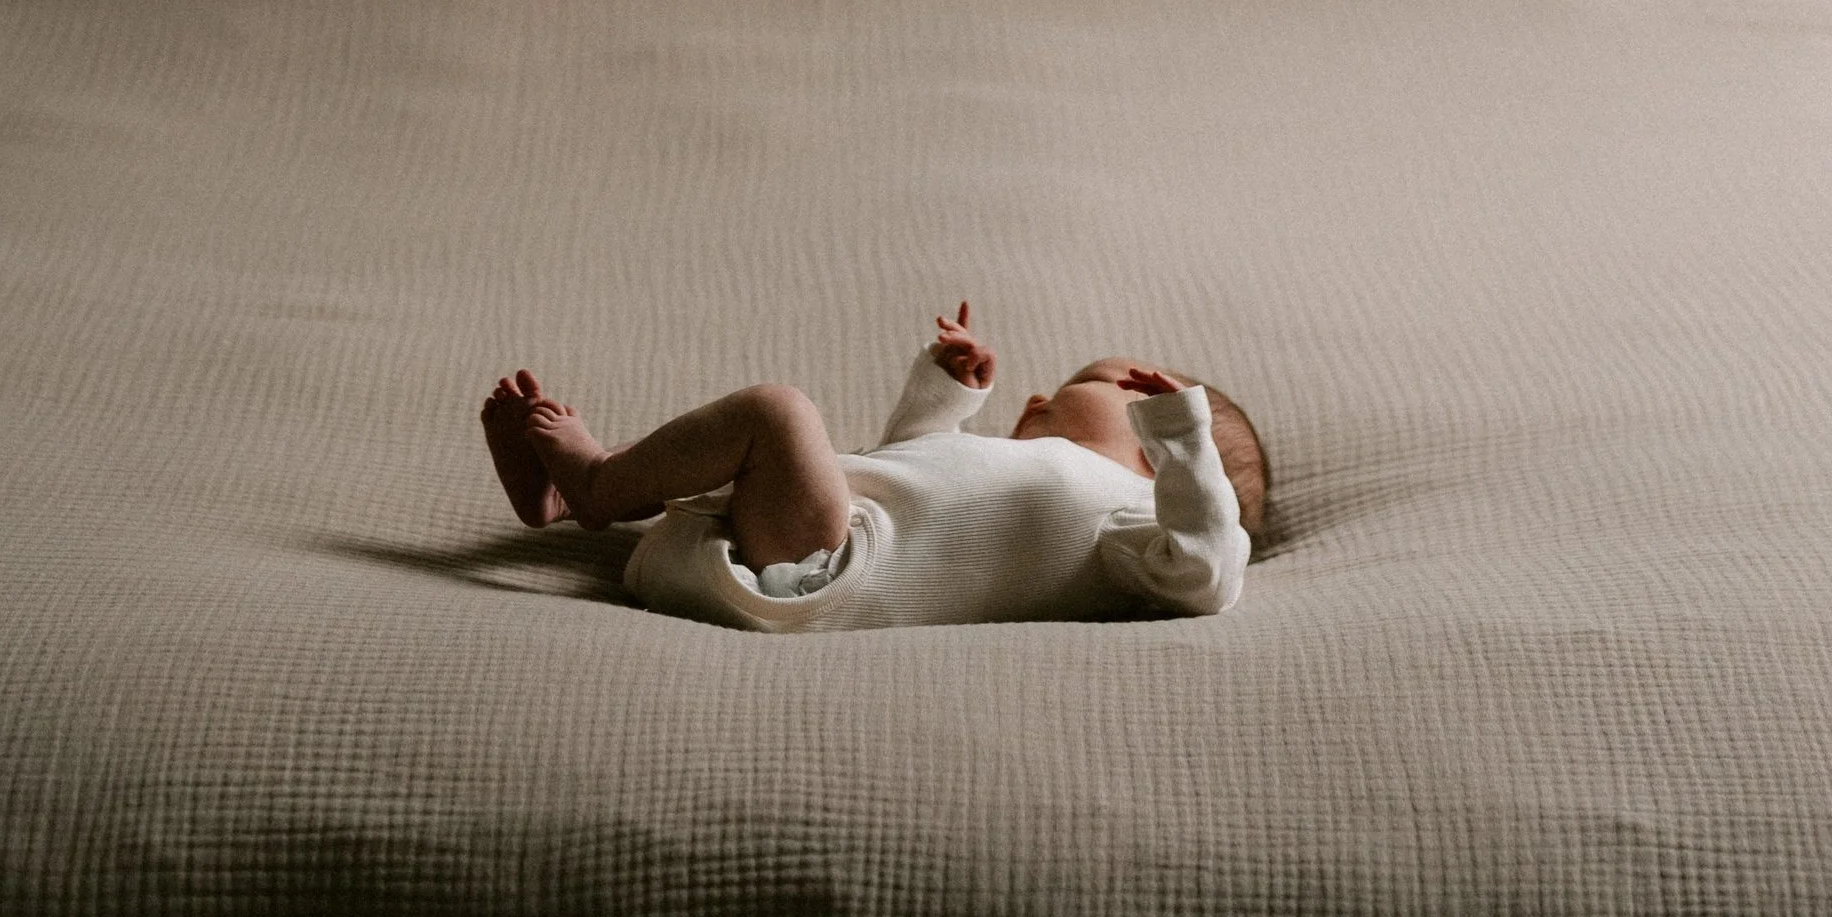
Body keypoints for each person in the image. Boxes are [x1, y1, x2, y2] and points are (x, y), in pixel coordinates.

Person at [480, 302, 1264, 631]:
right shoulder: (1035, 471)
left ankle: (598, 485)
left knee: (777, 413)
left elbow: (1208, 574)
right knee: (757, 447)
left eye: (1090, 383)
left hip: (824, 572)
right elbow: (907, 465)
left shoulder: (1135, 515)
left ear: (1157, 442)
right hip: (808, 536)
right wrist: (945, 393)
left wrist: (1187, 444)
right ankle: (575, 495)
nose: (1040, 395)